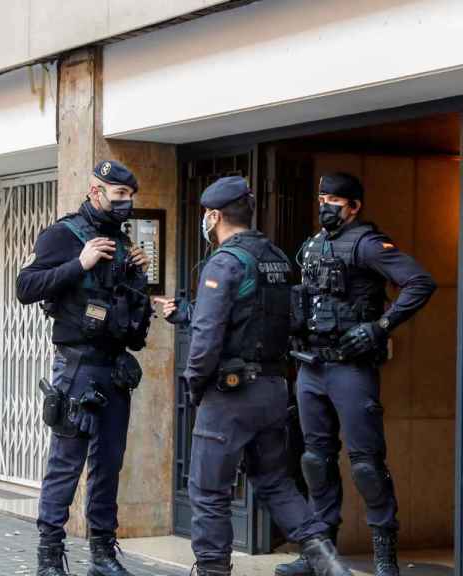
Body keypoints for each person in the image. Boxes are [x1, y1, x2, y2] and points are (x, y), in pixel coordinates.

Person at [162, 176, 351, 576]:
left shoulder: (225, 262)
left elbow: (207, 336)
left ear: (214, 215)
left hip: (229, 396)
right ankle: (328, 563)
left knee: (208, 491)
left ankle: (214, 570)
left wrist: (196, 384)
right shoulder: (277, 258)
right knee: (275, 483)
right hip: (272, 389)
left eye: (205, 217)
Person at [277, 173, 436, 576]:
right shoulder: (313, 246)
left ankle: (386, 557)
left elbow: (419, 282)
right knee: (315, 460)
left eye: (333, 199)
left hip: (350, 369)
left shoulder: (366, 244)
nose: (324, 205)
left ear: (354, 206)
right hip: (311, 366)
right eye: (321, 197)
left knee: (366, 463)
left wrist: (380, 327)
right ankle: (320, 556)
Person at [16, 160, 153, 576]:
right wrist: (81, 263)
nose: (126, 204)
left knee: (109, 463)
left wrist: (138, 277)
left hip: (113, 369)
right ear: (96, 191)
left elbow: (131, 316)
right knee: (66, 462)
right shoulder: (65, 234)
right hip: (76, 369)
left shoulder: (123, 242)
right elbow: (25, 287)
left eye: (130, 197)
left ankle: (103, 553)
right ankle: (49, 557)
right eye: (120, 196)